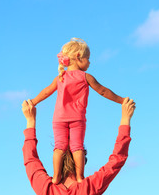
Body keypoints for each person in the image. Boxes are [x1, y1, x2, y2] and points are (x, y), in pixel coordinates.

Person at [21, 97, 135, 195]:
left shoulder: (47, 190)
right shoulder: (90, 187)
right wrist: (125, 118)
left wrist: (30, 120)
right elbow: (117, 159)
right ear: (82, 159)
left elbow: (30, 159)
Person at [29, 38, 124, 184]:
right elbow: (103, 91)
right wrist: (121, 100)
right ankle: (80, 177)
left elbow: (46, 92)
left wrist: (33, 101)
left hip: (58, 119)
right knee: (77, 147)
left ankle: (56, 177)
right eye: (88, 58)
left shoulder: (60, 77)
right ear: (79, 57)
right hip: (77, 119)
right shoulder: (86, 77)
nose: (90, 62)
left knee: (59, 146)